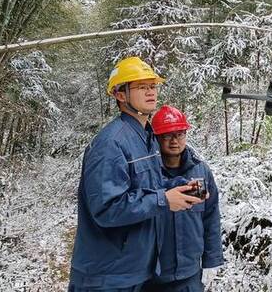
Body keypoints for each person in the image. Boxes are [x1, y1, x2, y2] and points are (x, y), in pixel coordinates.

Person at [68, 57, 204, 292]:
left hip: (136, 272)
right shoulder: (111, 143)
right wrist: (163, 200)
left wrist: (180, 187)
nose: (151, 92)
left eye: (153, 86)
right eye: (141, 87)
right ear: (120, 95)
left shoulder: (147, 137)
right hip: (107, 277)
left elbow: (146, 185)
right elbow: (106, 208)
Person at [142, 105, 224, 292]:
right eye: (167, 136)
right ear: (156, 138)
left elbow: (211, 217)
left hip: (190, 273)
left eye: (179, 134)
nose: (174, 141)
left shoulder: (200, 171)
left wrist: (211, 260)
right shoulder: (146, 173)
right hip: (152, 273)